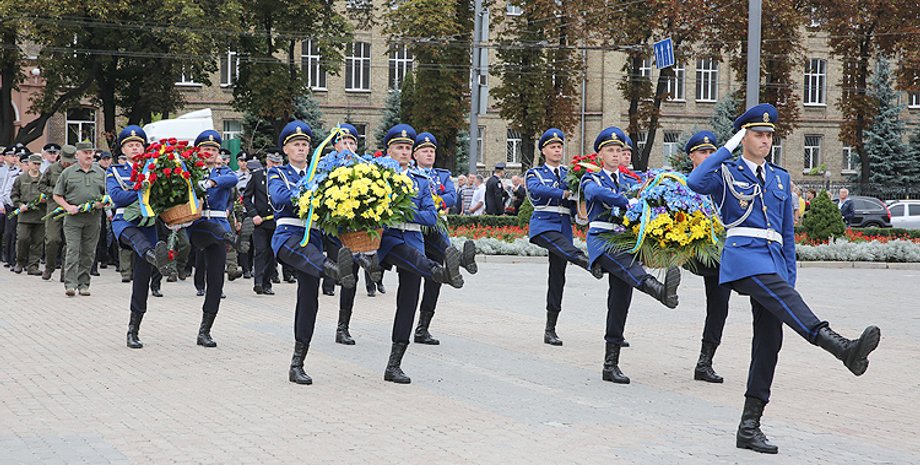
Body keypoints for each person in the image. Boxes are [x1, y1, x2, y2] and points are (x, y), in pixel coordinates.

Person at [688, 103, 881, 454]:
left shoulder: (779, 177)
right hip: (744, 259)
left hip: (774, 264)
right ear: (743, 136)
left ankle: (749, 426)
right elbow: (694, 181)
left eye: (768, 136)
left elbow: (787, 234)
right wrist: (726, 148)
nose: (765, 141)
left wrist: (788, 278)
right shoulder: (726, 173)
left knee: (768, 343)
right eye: (758, 134)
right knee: (776, 317)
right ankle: (840, 347)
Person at [581, 127, 682, 384]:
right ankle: (658, 290)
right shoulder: (591, 178)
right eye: (610, 150)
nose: (615, 155)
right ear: (600, 154)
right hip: (603, 241)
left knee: (620, 300)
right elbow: (595, 195)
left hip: (625, 241)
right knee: (627, 268)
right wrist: (625, 201)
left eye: (619, 150)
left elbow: (646, 197)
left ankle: (610, 364)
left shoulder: (629, 181)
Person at [375, 124, 467, 384]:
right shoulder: (378, 176)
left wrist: (403, 212)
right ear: (389, 150)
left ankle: (394, 364)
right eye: (399, 147)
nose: (403, 152)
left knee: (408, 302)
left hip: (414, 237)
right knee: (417, 261)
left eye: (407, 148)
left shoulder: (421, 180)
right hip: (389, 239)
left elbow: (430, 215)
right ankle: (441, 272)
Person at [268, 120, 356, 385]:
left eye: (305, 144)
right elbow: (280, 197)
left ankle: (297, 363)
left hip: (314, 239)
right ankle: (337, 270)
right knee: (304, 252)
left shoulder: (320, 172)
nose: (302, 148)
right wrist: (311, 189)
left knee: (309, 300)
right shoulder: (277, 174)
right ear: (285, 149)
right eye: (296, 144)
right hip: (288, 236)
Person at [526, 128, 604, 346]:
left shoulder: (571, 174)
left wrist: (581, 210)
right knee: (564, 250)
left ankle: (550, 328)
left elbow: (576, 206)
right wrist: (564, 193)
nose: (557, 150)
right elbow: (536, 190)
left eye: (559, 146)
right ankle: (587, 262)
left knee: (557, 277)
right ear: (543, 151)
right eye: (552, 147)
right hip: (544, 225)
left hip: (563, 226)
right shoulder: (535, 173)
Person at [107, 126, 173, 349]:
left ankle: (133, 330)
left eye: (138, 144)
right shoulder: (115, 171)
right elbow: (117, 197)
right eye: (130, 145)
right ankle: (154, 255)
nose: (134, 148)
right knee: (136, 239)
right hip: (124, 222)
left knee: (142, 282)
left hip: (149, 225)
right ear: (123, 149)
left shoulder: (154, 168)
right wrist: (141, 188)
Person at [319, 123, 384, 345]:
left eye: (352, 142)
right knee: (347, 275)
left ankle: (343, 327)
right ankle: (363, 260)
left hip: (356, 232)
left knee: (352, 280)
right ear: (335, 145)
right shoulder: (325, 167)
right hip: (334, 231)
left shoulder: (365, 167)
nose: (348, 146)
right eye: (343, 142)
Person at [412, 131, 478, 345]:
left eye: (432, 151)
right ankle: (459, 259)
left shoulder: (441, 175)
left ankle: (423, 328)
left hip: (435, 224)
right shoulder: (409, 173)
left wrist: (432, 202)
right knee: (414, 280)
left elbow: (451, 196)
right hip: (414, 228)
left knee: (434, 282)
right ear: (415, 154)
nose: (429, 154)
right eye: (424, 150)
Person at [682, 130, 732, 383]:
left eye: (713, 152)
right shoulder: (682, 184)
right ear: (692, 156)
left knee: (719, 307)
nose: (710, 156)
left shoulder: (727, 181)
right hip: (692, 250)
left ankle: (705, 361)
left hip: (722, 253)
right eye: (703, 152)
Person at [185, 130, 239, 347]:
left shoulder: (222, 172)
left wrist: (211, 183)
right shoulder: (190, 170)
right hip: (197, 225)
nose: (210, 153)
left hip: (219, 227)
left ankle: (205, 330)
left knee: (216, 281)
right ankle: (231, 239)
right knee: (212, 232)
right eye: (206, 149)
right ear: (198, 151)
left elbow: (233, 178)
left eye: (214, 150)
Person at [53, 141, 106, 296]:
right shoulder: (68, 173)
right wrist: (68, 207)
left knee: (88, 252)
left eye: (91, 152)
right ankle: (70, 284)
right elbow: (57, 195)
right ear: (77, 155)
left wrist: (101, 203)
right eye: (85, 152)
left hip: (93, 217)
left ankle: (84, 284)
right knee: (73, 250)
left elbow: (108, 195)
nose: (89, 155)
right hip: (73, 218)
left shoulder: (100, 173)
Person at [38, 145, 74, 281]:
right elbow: (41, 185)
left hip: (71, 208)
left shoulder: (75, 170)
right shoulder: (52, 169)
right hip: (54, 207)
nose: (67, 164)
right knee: (52, 239)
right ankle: (49, 266)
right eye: (65, 161)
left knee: (69, 242)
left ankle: (66, 272)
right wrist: (54, 192)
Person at [243, 155, 277, 296]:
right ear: (267, 161)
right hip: (260, 221)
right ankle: (258, 282)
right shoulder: (257, 176)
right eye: (272, 162)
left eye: (278, 162)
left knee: (272, 253)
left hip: (276, 221)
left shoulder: (283, 176)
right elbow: (246, 197)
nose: (275, 165)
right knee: (261, 250)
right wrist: (253, 214)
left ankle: (267, 283)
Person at [10, 153, 46, 275]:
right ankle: (20, 262)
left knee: (37, 242)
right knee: (22, 239)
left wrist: (45, 200)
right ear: (29, 164)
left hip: (40, 214)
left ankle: (33, 266)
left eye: (38, 164)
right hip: (25, 215)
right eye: (34, 163)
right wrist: (19, 205)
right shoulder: (21, 179)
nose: (36, 166)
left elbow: (50, 193)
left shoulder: (44, 179)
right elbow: (14, 195)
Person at [0, 145, 23, 267]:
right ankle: (7, 256)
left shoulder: (17, 172)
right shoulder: (6, 172)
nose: (14, 158)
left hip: (20, 206)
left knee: (17, 233)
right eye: (11, 156)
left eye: (15, 156)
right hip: (8, 205)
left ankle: (15, 258)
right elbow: (3, 191)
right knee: (8, 232)